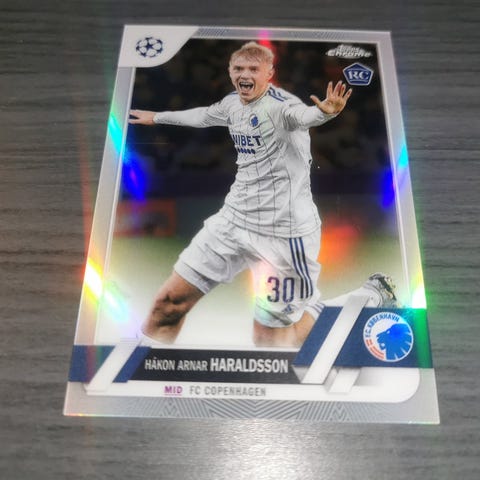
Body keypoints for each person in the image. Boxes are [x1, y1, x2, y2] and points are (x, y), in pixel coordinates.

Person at [129, 41, 397, 348]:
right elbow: (203, 115)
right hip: (233, 221)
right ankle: (146, 370)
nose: (245, 74)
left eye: (253, 69)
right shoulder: (232, 104)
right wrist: (157, 117)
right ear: (230, 72)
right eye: (239, 68)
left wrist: (325, 113)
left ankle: (370, 295)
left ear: (269, 73)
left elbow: (304, 116)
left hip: (284, 233)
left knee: (273, 343)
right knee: (167, 306)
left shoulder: (282, 106)